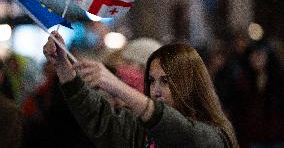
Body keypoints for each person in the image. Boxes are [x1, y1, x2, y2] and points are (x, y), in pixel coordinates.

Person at [43, 31, 239, 148]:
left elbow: (178, 130)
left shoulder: (214, 135)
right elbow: (100, 117)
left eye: (165, 81)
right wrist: (63, 67)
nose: (155, 91)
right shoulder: (142, 130)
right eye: (151, 81)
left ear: (189, 84)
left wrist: (116, 85)